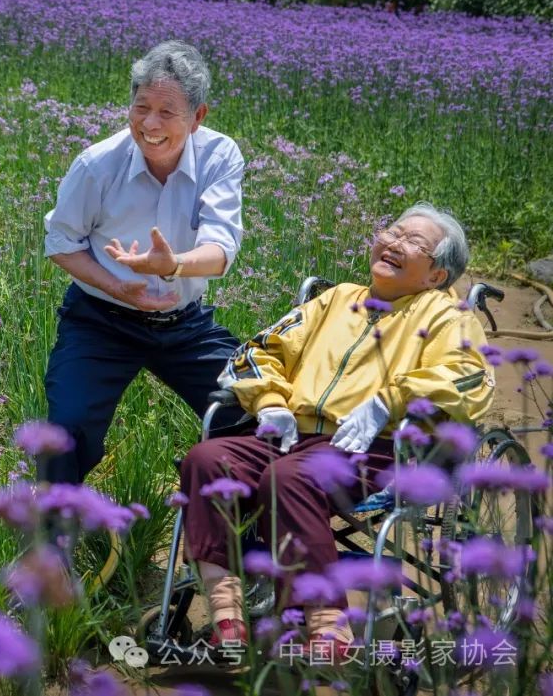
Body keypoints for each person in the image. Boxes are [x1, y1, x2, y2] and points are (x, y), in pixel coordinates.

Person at [179, 202, 495, 653]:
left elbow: (469, 377)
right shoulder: (336, 299)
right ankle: (227, 615)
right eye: (393, 231)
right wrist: (270, 401)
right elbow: (257, 351)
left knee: (289, 479)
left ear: (436, 275)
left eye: (413, 242)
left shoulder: (447, 317)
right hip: (294, 435)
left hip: (377, 446)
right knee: (207, 459)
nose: (394, 242)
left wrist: (388, 401)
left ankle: (328, 626)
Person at [41, 40, 245, 486]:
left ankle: (223, 514)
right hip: (101, 320)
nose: (150, 124)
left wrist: (172, 266)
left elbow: (221, 250)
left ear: (198, 117)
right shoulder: (97, 164)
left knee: (251, 409)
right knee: (65, 431)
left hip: (184, 323)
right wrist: (117, 286)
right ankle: (55, 526)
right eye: (141, 108)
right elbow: (60, 242)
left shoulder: (220, 155)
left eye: (167, 112)